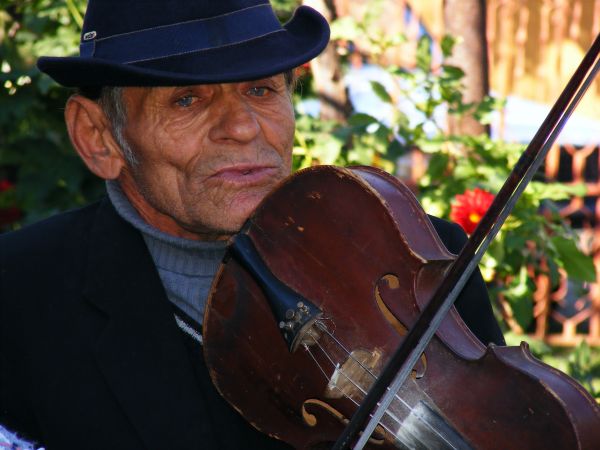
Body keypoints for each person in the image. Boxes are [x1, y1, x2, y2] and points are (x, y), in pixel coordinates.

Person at [0, 1, 505, 449]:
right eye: (186, 101)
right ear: (98, 137)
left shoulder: (422, 255)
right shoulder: (19, 295)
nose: (242, 127)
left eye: (261, 90)